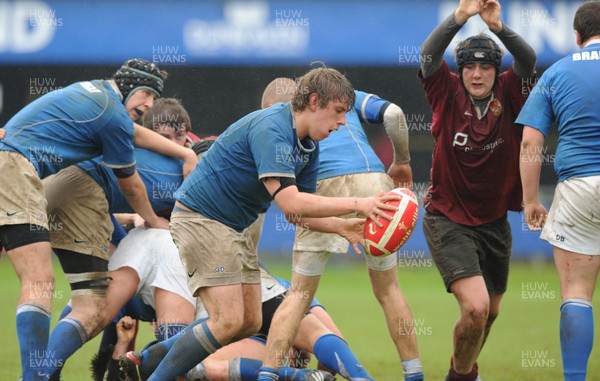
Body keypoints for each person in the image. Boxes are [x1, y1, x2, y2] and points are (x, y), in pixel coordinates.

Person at [122, 67, 397, 381]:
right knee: (227, 320)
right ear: (314, 101)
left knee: (249, 321)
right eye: (337, 112)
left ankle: (145, 360)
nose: (343, 122)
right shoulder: (273, 129)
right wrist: (360, 204)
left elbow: (298, 213)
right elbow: (290, 202)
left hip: (232, 227)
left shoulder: (308, 145)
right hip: (202, 219)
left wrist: (339, 225)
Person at [0, 58, 197, 381]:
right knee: (40, 280)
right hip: (16, 170)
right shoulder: (111, 114)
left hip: (42, 179)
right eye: (146, 94)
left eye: (153, 98)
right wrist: (151, 219)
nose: (148, 104)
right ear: (129, 85)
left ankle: (41, 374)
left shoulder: (101, 100)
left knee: (91, 304)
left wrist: (186, 155)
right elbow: (130, 184)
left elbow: (133, 133)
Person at [259, 77, 424, 381]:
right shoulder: (342, 95)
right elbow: (394, 114)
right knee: (389, 289)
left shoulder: (280, 127)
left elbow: (293, 206)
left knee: (298, 295)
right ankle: (414, 375)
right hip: (373, 182)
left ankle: (267, 375)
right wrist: (402, 161)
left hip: (321, 187)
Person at [418, 1, 536, 380]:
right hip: (447, 218)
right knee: (475, 307)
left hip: (494, 222)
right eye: (470, 65)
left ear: (495, 70)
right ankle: (462, 377)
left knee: (490, 312)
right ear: (461, 70)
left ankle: (462, 371)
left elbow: (528, 59)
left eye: (486, 65)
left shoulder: (510, 89)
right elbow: (428, 55)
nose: (478, 73)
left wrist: (498, 27)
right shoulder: (445, 92)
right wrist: (460, 17)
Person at [517, 3, 600, 380]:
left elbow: (530, 142)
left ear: (578, 36)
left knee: (577, 292)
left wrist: (531, 201)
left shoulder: (558, 72)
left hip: (578, 187)